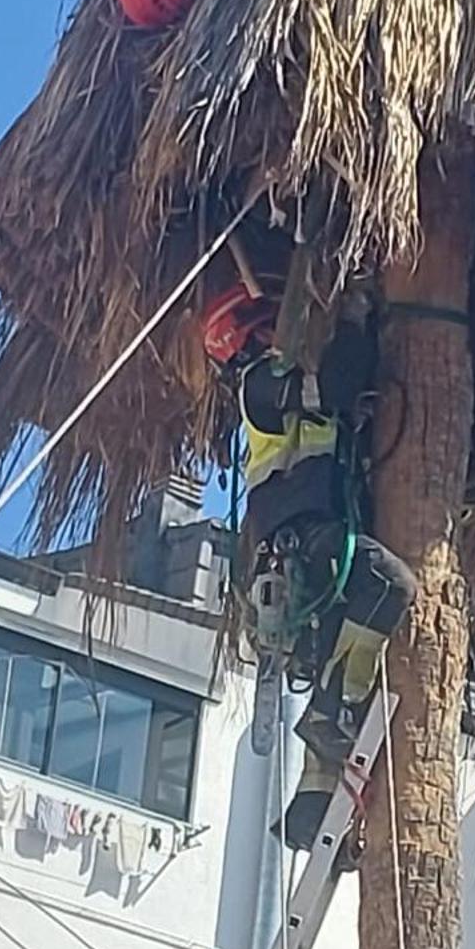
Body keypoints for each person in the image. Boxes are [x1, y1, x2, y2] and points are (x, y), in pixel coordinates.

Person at [200, 279, 415, 849]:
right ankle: (331, 707)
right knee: (390, 584)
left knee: (337, 654)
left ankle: (315, 818)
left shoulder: (277, 388)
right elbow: (338, 387)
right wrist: (355, 313)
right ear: (249, 337)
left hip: (310, 537)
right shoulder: (260, 387)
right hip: (301, 538)